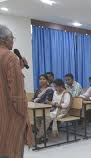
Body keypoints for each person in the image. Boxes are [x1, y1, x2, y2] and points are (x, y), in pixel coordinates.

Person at [0, 24, 33, 158]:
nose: (13, 41)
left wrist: (19, 66)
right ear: (4, 39)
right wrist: (23, 113)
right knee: (11, 149)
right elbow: (17, 93)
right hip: (9, 114)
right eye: (12, 38)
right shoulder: (10, 56)